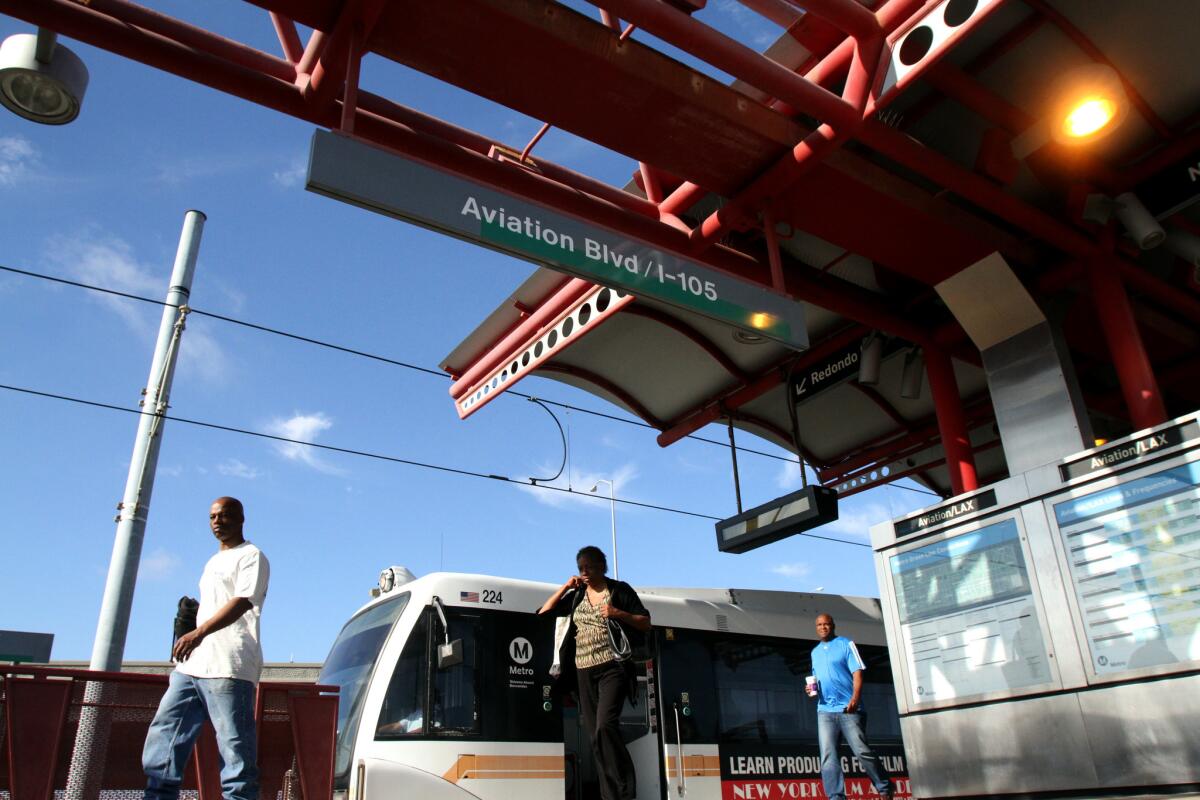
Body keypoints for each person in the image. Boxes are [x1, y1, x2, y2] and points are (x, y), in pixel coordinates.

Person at [142, 497, 270, 800]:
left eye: (225, 515)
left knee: (235, 752)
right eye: (213, 516)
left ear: (241, 518)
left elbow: (241, 602)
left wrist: (197, 633)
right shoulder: (213, 561)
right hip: (191, 667)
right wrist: (189, 629)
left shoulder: (252, 556)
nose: (217, 521)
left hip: (229, 666)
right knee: (165, 739)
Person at [539, 546, 650, 800]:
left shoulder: (619, 590)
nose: (585, 572)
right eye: (580, 568)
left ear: (602, 566)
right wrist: (566, 586)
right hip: (583, 672)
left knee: (604, 726)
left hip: (613, 666)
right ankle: (609, 795)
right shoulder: (577, 595)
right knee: (595, 738)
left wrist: (617, 612)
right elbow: (545, 612)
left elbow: (645, 622)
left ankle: (624, 790)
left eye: (589, 566)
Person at [808, 613, 892, 800]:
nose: (823, 627)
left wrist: (855, 698)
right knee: (828, 757)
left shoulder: (846, 644)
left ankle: (884, 787)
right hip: (825, 711)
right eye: (819, 625)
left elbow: (858, 673)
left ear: (833, 625)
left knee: (862, 751)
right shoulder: (815, 652)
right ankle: (836, 797)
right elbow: (817, 680)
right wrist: (810, 689)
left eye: (826, 624)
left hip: (849, 709)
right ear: (816, 628)